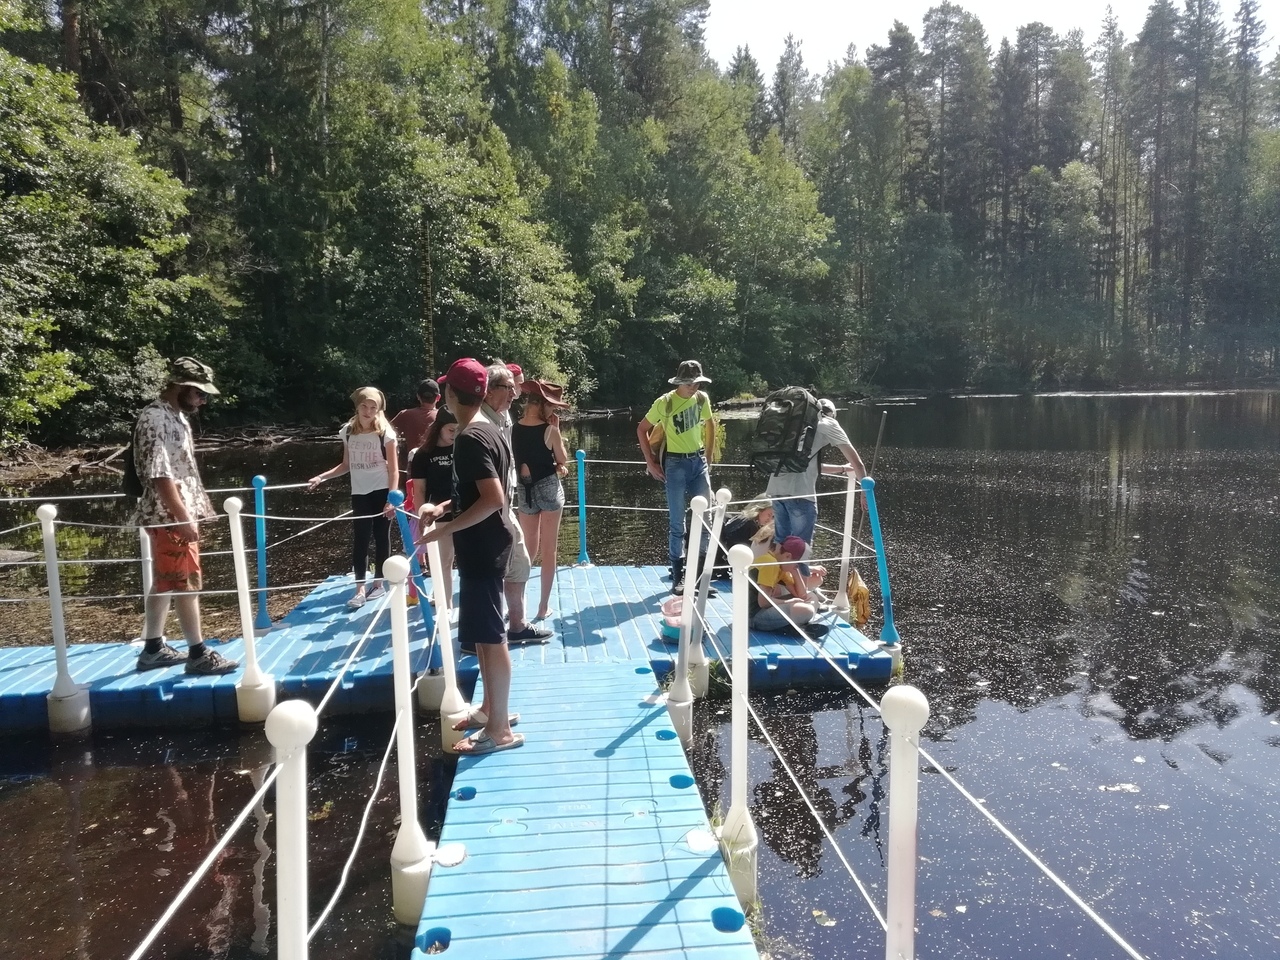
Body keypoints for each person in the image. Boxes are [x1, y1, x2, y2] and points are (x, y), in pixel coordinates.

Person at [418, 358, 523, 754]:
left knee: (492, 638)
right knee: (482, 633)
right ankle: (489, 709)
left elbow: (493, 499)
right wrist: (442, 508)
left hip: (483, 547)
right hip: (485, 544)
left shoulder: (470, 439)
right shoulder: (487, 429)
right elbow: (477, 491)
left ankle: (499, 730)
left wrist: (445, 529)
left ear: (448, 395)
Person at [133, 357, 240, 675]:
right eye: (199, 393)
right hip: (170, 516)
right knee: (186, 582)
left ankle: (153, 648)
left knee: (167, 581)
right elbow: (159, 475)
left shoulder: (175, 416)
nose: (203, 400)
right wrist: (182, 518)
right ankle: (198, 654)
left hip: (174, 514)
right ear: (180, 386)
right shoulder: (155, 418)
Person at [479, 362, 552, 645]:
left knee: (519, 559)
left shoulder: (502, 416)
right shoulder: (479, 423)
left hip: (505, 503)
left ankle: (518, 625)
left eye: (515, 386)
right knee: (492, 568)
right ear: (488, 391)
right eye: (508, 387)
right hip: (489, 509)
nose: (514, 392)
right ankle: (485, 635)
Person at [308, 387, 399, 610]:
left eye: (373, 407)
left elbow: (394, 470)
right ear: (357, 407)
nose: (368, 411)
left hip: (381, 490)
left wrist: (391, 499)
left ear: (378, 410)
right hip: (359, 492)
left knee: (381, 537)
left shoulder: (385, 433)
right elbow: (346, 465)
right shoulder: (348, 431)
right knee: (360, 539)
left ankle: (377, 583)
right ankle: (359, 589)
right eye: (364, 406)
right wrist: (322, 477)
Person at [637, 360, 715, 595]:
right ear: (680, 382)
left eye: (698, 382)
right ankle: (678, 578)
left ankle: (700, 578)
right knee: (677, 523)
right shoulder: (665, 402)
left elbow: (710, 426)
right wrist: (651, 463)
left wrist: (708, 459)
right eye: (690, 383)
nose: (694, 387)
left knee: (706, 521)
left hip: (698, 463)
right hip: (675, 465)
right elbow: (642, 429)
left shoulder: (702, 399)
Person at [765, 395, 866, 571]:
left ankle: (776, 587)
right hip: (800, 495)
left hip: (776, 489)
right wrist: (864, 492)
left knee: (782, 545)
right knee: (800, 548)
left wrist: (842, 469)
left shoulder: (797, 423)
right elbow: (858, 463)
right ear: (832, 414)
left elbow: (812, 465)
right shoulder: (829, 424)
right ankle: (803, 593)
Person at [513, 379, 570, 620]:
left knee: (527, 549)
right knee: (549, 550)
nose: (554, 411)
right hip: (548, 487)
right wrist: (555, 430)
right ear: (545, 405)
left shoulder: (512, 428)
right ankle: (543, 607)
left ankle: (518, 603)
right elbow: (563, 459)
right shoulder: (550, 430)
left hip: (524, 490)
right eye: (553, 407)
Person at [409, 408, 458, 611]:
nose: (454, 434)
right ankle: (444, 605)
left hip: (464, 509)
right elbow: (419, 490)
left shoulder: (463, 448)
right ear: (438, 428)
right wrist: (422, 518)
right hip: (438, 513)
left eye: (458, 429)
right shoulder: (423, 455)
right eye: (450, 430)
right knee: (444, 562)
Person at [751, 536, 821, 633]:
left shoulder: (780, 564)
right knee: (806, 610)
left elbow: (802, 595)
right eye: (797, 565)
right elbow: (763, 602)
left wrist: (794, 570)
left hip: (765, 609)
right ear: (788, 556)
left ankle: (797, 625)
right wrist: (789, 602)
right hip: (753, 616)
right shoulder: (771, 564)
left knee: (811, 595)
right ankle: (797, 626)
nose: (797, 568)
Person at [390, 379, 440, 464]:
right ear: (438, 397)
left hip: (414, 464)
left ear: (418, 396)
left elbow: (384, 431)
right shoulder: (443, 416)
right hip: (438, 464)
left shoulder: (405, 414)